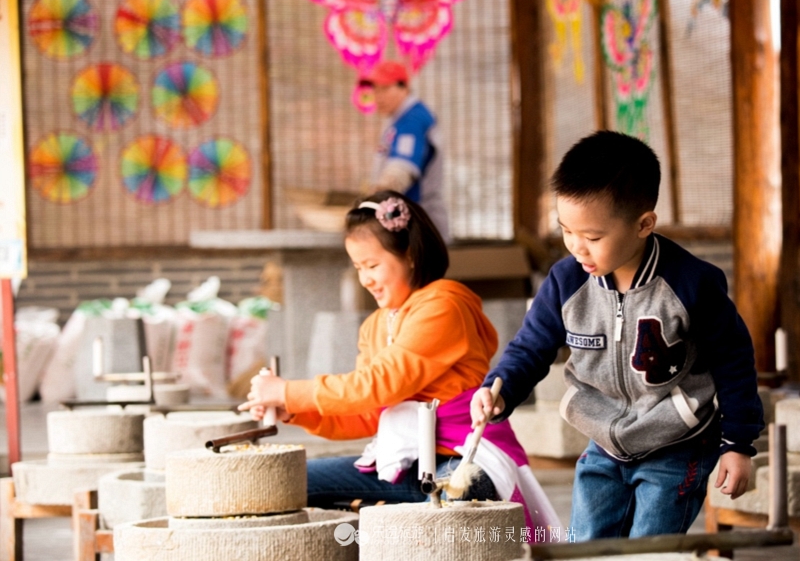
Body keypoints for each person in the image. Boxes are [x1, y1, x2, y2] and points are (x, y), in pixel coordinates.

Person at [470, 131, 765, 541]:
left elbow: (734, 361)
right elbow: (531, 347)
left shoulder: (692, 284)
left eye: (592, 237)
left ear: (644, 224)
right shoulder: (565, 282)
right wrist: (499, 390)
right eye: (566, 231)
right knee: (586, 544)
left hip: (677, 442)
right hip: (603, 442)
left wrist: (737, 443)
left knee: (650, 549)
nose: (576, 248)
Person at [239, 191, 558, 533]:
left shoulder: (444, 306)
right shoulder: (375, 325)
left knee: (446, 515)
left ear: (409, 255)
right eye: (358, 267)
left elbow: (381, 381)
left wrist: (288, 391)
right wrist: (294, 411)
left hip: (465, 457)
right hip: (409, 463)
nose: (365, 279)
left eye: (373, 265)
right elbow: (368, 411)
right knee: (282, 481)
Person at [362, 61, 449, 241]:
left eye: (385, 89)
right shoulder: (397, 118)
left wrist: (375, 197)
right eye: (375, 90)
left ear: (404, 88)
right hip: (406, 217)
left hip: (419, 219)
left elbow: (402, 169)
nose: (378, 97)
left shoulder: (413, 120)